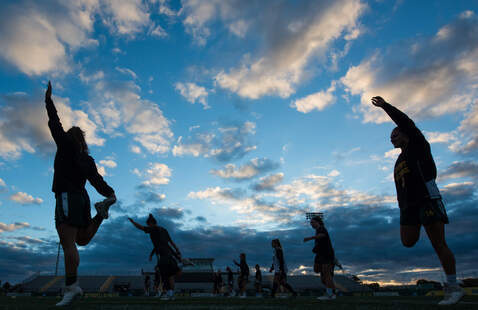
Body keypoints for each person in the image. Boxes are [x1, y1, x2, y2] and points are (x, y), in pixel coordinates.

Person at [371, 96, 464, 305]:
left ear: (406, 134)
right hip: (408, 207)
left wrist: (385, 106)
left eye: (395, 134)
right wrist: (402, 207)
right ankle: (450, 283)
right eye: (391, 137)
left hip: (426, 200)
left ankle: (453, 287)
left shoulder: (418, 145)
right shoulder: (398, 161)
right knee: (408, 241)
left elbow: (406, 123)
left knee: (439, 243)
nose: (392, 138)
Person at [45, 82, 116, 306]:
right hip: (83, 199)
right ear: (83, 141)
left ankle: (72, 287)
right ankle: (100, 214)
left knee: (68, 244)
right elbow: (97, 181)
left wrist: (48, 101)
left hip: (67, 196)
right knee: (82, 240)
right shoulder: (87, 159)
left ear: (69, 137)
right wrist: (111, 194)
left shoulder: (65, 145)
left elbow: (55, 124)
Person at [129, 214, 182, 300]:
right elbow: (171, 242)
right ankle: (171, 295)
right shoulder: (164, 230)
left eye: (148, 224)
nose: (148, 226)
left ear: (151, 223)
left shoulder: (153, 229)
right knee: (170, 275)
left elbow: (141, 228)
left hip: (164, 255)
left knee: (164, 275)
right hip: (169, 253)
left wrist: (133, 222)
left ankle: (167, 294)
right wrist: (177, 250)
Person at [304, 216, 336, 300]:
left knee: (326, 274)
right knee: (321, 275)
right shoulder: (317, 231)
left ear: (318, 222)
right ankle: (330, 290)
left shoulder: (321, 228)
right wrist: (315, 249)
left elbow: (322, 235)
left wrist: (310, 238)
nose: (311, 224)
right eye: (310, 223)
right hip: (320, 255)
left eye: (313, 222)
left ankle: (330, 294)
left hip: (326, 255)